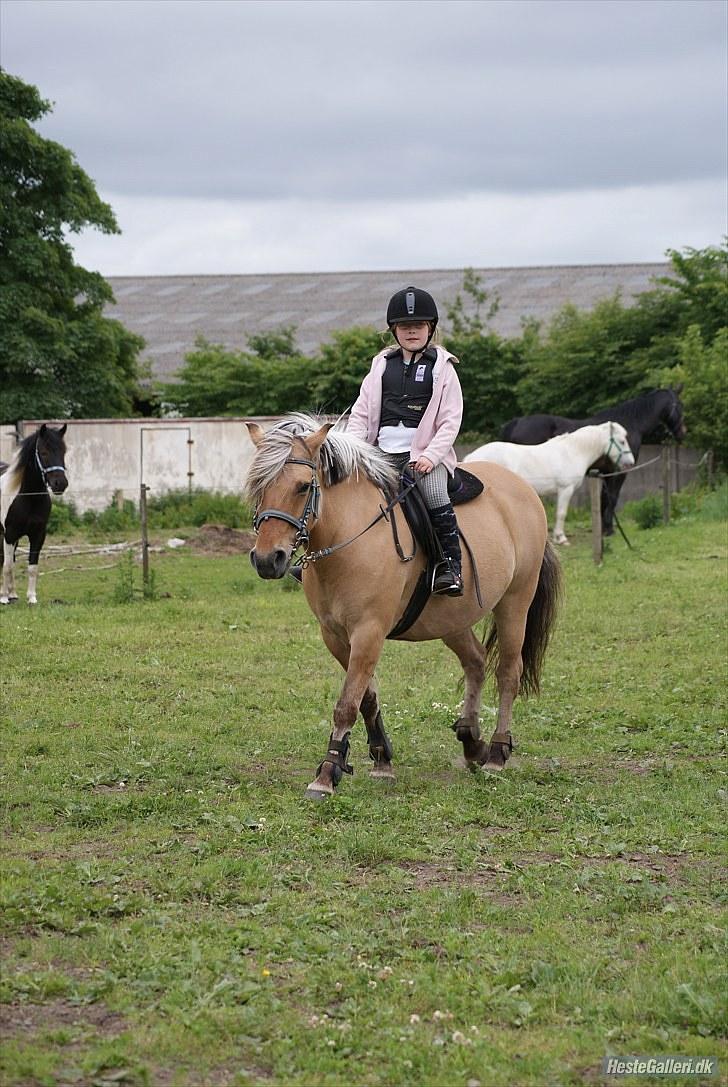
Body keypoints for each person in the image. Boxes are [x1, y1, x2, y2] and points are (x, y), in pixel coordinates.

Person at [347, 286, 464, 596]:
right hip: (379, 453)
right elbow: (360, 414)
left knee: (436, 491)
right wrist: (351, 449)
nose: (412, 331)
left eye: (419, 326)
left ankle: (450, 566)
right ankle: (315, 562)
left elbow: (451, 420)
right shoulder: (381, 366)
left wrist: (432, 456)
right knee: (338, 488)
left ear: (430, 329)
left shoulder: (443, 367)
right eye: (404, 326)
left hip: (424, 454)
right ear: (394, 331)